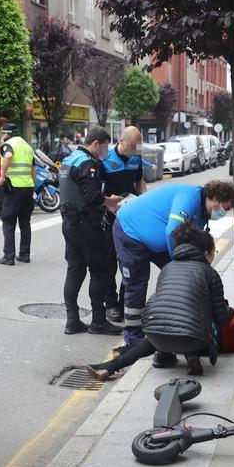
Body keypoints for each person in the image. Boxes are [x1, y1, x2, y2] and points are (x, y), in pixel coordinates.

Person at [87, 222, 234, 378]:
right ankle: (192, 356)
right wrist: (233, 312)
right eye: (215, 252)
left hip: (156, 336)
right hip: (193, 340)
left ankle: (110, 367)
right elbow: (221, 317)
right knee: (195, 323)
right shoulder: (210, 273)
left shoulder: (167, 268)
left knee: (167, 327)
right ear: (206, 253)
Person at [113, 180, 234, 362]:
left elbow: (190, 239)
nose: (223, 213)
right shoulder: (188, 198)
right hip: (130, 232)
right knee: (136, 287)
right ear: (215, 200)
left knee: (180, 284)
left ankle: (170, 334)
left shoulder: (204, 212)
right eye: (225, 208)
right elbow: (172, 231)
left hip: (159, 243)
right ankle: (133, 340)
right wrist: (180, 263)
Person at [60, 127, 123, 335]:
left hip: (69, 223)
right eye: (104, 147)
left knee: (75, 270)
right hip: (87, 224)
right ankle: (98, 321)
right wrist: (109, 201)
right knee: (100, 271)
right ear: (95, 144)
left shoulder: (70, 159)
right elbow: (92, 196)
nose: (106, 152)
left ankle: (72, 320)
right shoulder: (88, 163)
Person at [101, 126, 148, 323]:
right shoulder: (106, 159)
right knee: (109, 262)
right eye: (132, 146)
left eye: (138, 146)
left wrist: (145, 201)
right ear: (121, 141)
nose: (135, 150)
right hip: (109, 216)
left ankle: (124, 302)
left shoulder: (136, 159)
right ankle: (110, 304)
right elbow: (96, 189)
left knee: (129, 261)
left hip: (130, 216)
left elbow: (139, 182)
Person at [0, 123, 35, 265]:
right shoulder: (28, 146)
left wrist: (2, 176)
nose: (3, 136)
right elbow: (33, 168)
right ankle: (24, 255)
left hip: (14, 188)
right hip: (28, 187)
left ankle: (9, 256)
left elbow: (8, 156)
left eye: (3, 133)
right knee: (25, 223)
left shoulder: (8, 145)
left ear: (7, 133)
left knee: (8, 221)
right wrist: (31, 183)